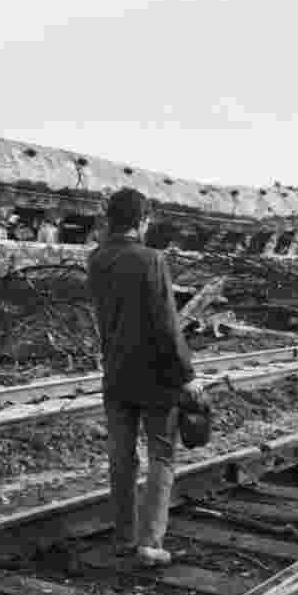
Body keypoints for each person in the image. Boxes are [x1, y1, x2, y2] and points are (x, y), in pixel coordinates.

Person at [87, 188, 201, 567]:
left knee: (121, 459)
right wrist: (187, 376)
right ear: (141, 221)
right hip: (156, 379)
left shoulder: (97, 259)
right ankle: (150, 543)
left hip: (117, 376)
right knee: (162, 456)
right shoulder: (151, 260)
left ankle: (123, 537)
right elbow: (167, 326)